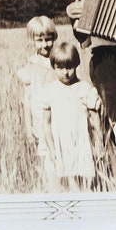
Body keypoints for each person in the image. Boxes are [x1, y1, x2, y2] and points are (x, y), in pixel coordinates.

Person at [41, 42, 104, 191]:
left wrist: (99, 143)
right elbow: (46, 123)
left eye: (69, 67)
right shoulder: (50, 91)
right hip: (59, 143)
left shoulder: (85, 89)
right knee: (60, 183)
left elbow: (95, 122)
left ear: (77, 65)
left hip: (81, 143)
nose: (65, 73)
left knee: (82, 183)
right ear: (53, 67)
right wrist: (51, 148)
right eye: (60, 68)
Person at [16, 16, 57, 156]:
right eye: (39, 40)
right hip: (40, 119)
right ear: (32, 41)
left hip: (60, 116)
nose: (45, 44)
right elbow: (27, 100)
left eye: (48, 39)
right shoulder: (31, 65)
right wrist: (29, 128)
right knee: (46, 155)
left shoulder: (59, 61)